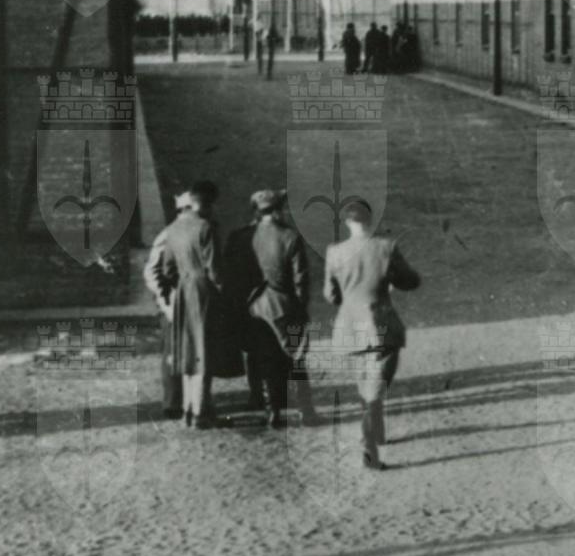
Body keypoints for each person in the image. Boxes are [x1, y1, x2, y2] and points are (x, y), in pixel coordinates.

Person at [325, 196, 421, 470]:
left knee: (364, 383)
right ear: (371, 220)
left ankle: (377, 432)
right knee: (377, 388)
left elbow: (331, 295)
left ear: (347, 223)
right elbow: (410, 281)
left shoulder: (334, 252)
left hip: (349, 327)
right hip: (380, 325)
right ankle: (369, 447)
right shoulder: (385, 247)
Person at [145, 180, 224, 428]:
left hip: (181, 293)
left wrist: (175, 292)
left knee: (187, 356)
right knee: (202, 353)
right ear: (205, 204)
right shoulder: (204, 227)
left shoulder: (173, 229)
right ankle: (199, 413)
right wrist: (222, 292)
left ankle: (189, 410)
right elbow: (214, 269)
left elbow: (167, 268)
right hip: (201, 293)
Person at [241, 189, 321, 429]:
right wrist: (302, 310)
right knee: (296, 357)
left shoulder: (244, 236)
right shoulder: (289, 237)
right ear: (277, 210)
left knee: (265, 358)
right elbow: (300, 280)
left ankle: (272, 411)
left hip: (254, 307)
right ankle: (305, 411)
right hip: (285, 306)